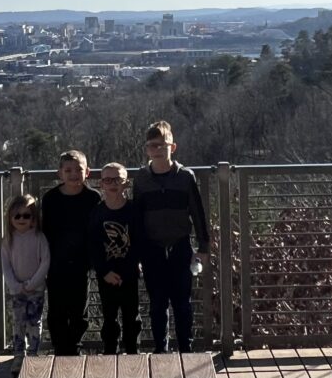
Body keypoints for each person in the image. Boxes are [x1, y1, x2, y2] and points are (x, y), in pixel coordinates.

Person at [132, 120, 210, 353]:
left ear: (172, 147)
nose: (157, 149)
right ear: (146, 149)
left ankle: (186, 348)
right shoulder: (141, 179)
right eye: (152, 146)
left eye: (161, 145)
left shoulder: (186, 177)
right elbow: (137, 217)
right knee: (157, 304)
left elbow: (197, 212)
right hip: (151, 248)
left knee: (182, 303)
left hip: (180, 246)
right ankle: (160, 349)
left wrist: (203, 246)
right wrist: (136, 253)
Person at [40, 149, 101, 355]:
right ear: (60, 173)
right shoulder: (50, 199)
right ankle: (59, 346)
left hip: (82, 262)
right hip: (56, 261)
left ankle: (74, 345)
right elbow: (45, 231)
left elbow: (97, 231)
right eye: (68, 170)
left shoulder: (94, 198)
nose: (74, 174)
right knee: (56, 308)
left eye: (78, 169)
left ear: (88, 172)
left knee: (79, 308)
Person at [88, 162, 142, 354]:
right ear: (101, 184)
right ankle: (110, 352)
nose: (113, 183)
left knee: (131, 316)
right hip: (106, 274)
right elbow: (93, 247)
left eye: (118, 179)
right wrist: (103, 272)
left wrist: (132, 267)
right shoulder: (97, 213)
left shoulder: (134, 210)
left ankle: (132, 351)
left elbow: (138, 242)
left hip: (130, 272)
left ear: (126, 183)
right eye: (108, 180)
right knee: (109, 317)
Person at [1, 194, 50, 375]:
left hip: (35, 289)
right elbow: (5, 266)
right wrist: (14, 285)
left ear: (34, 217)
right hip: (17, 291)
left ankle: (33, 352)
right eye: (17, 216)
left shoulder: (39, 238)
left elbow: (45, 262)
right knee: (18, 322)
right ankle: (19, 354)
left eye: (26, 215)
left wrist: (33, 283)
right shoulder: (8, 240)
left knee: (34, 322)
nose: (21, 219)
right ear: (10, 218)